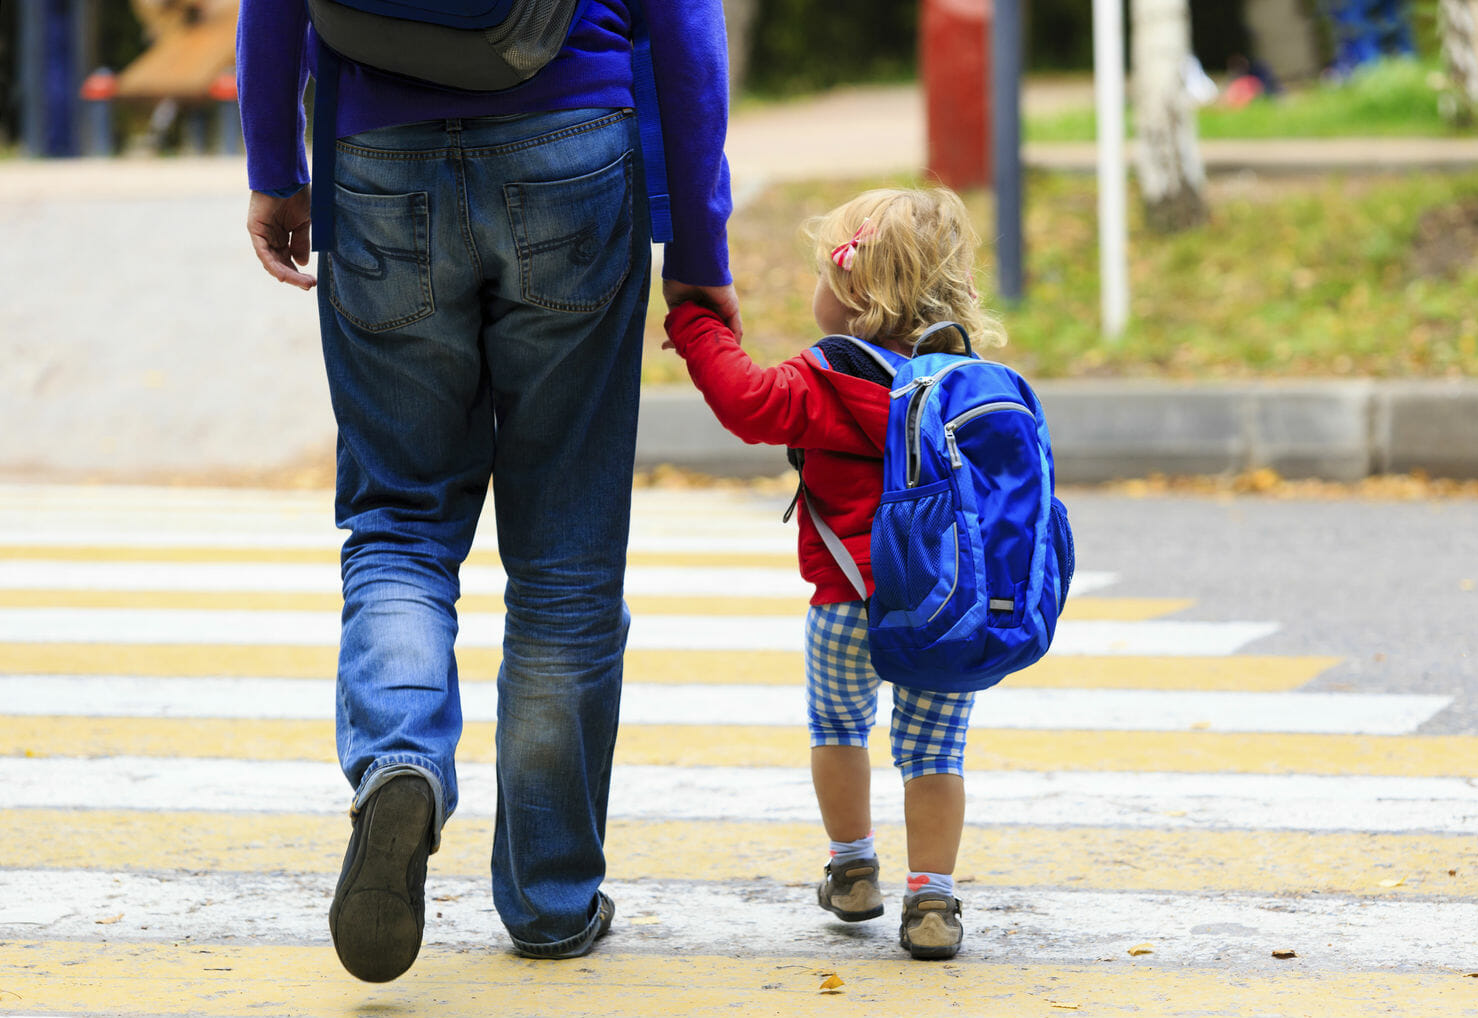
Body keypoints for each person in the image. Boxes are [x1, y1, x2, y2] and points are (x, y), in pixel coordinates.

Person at [235, 0, 737, 982]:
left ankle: (399, 761)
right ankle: (549, 899)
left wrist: (274, 166)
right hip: (573, 147)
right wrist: (698, 245)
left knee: (398, 521)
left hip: (375, 153)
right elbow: (684, 26)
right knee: (565, 554)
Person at [661, 186, 1001, 961]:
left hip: (847, 603)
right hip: (948, 609)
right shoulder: (966, 386)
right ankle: (932, 899)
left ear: (851, 291)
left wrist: (696, 323)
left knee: (839, 730)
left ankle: (852, 868)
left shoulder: (832, 377)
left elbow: (747, 402)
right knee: (936, 754)